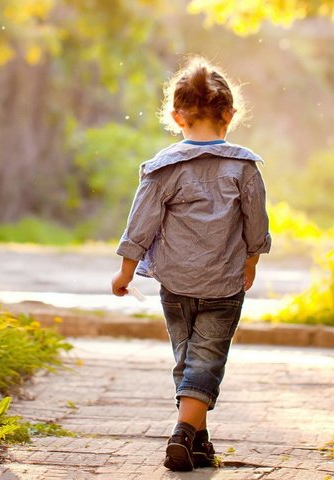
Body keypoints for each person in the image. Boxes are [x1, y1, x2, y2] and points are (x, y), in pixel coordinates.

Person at [110, 56, 271, 472]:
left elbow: (139, 225)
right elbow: (256, 223)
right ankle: (183, 435)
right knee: (206, 360)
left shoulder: (164, 168)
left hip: (176, 284)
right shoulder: (244, 168)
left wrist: (126, 272)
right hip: (224, 284)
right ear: (229, 115)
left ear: (177, 116)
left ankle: (197, 442)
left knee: (188, 360)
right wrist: (251, 260)